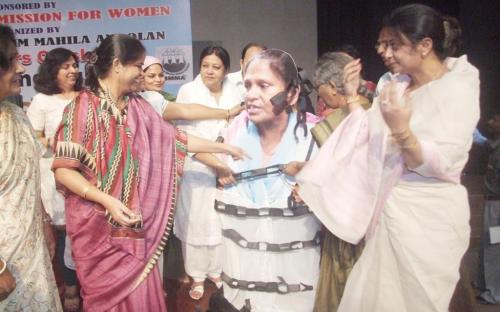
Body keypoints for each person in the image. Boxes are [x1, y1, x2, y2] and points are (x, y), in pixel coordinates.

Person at [297, 4, 479, 311]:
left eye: (393, 44)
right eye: (381, 44)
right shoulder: (394, 86)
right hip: (389, 212)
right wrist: (354, 95)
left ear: (425, 45)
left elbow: (444, 161)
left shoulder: (457, 85)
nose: (383, 51)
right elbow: (371, 137)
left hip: (429, 214)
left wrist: (402, 130)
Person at [52, 34, 246, 312]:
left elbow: (176, 140)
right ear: (118, 65)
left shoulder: (138, 107)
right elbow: (64, 171)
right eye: (138, 67)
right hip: (98, 231)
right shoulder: (82, 109)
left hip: (135, 229)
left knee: (142, 295)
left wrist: (223, 148)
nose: (141, 75)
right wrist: (108, 201)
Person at [213, 49, 321, 311]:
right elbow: (208, 158)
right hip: (244, 268)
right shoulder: (235, 130)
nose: (251, 95)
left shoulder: (315, 136)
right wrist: (219, 169)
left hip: (297, 273)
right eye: (248, 85)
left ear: (293, 93)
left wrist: (313, 181)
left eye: (264, 85)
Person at [173, 46, 243, 300]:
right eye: (205, 65)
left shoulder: (235, 92)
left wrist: (226, 165)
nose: (209, 71)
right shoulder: (188, 91)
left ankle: (217, 271)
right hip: (198, 166)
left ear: (225, 70)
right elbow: (185, 137)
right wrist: (216, 164)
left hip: (229, 169)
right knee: (196, 222)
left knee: (221, 221)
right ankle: (197, 275)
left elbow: (240, 130)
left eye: (216, 66)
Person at [0, 24, 62, 311]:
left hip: (32, 255)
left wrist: (45, 222)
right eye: (13, 60)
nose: (21, 67)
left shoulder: (15, 114)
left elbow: (28, 177)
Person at [309, 52, 371, 311]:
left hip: (354, 220)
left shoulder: (358, 117)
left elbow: (346, 168)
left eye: (323, 95)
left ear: (335, 87)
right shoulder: (367, 110)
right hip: (348, 219)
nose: (322, 101)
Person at [27, 47, 82, 311]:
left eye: (74, 65)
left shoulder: (86, 97)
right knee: (65, 233)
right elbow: (32, 138)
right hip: (55, 175)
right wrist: (55, 143)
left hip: (87, 175)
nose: (72, 70)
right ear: (52, 71)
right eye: (65, 67)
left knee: (84, 231)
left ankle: (88, 284)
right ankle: (70, 288)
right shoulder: (42, 101)